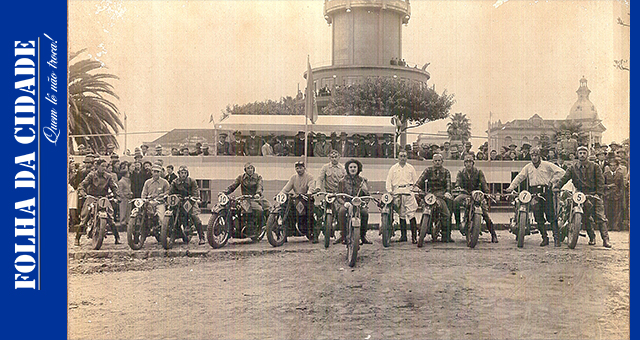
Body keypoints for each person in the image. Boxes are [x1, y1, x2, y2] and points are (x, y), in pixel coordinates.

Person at [505, 147, 565, 246]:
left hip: (546, 192)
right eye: (532, 156)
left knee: (551, 216)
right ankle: (544, 238)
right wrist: (511, 187)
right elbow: (520, 177)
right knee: (538, 217)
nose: (534, 158)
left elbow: (561, 172)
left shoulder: (547, 165)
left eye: (536, 155)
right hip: (534, 193)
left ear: (539, 156)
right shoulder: (528, 167)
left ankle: (556, 239)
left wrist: (552, 181)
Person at [554, 146, 611, 248]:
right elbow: (564, 178)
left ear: (587, 154)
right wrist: (557, 186)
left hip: (593, 194)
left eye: (584, 153)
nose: (582, 155)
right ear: (577, 154)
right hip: (579, 194)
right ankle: (592, 237)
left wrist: (599, 194)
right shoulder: (572, 168)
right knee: (585, 217)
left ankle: (606, 240)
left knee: (600, 217)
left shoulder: (595, 166)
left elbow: (601, 181)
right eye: (580, 153)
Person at [453, 153, 498, 243]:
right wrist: (458, 187)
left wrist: (487, 193)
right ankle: (458, 222)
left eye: (470, 162)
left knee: (485, 214)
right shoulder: (461, 172)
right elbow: (458, 182)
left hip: (477, 194)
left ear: (473, 163)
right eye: (467, 162)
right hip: (465, 194)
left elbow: (484, 184)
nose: (468, 164)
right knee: (455, 201)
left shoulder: (478, 172)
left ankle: (493, 234)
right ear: (464, 164)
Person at [75, 159, 120, 246]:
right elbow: (82, 185)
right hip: (91, 197)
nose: (104, 168)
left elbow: (114, 187)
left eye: (105, 166)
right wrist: (83, 193)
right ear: (97, 166)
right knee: (84, 219)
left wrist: (117, 196)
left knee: (111, 218)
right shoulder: (91, 175)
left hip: (103, 198)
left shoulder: (108, 176)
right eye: (102, 166)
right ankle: (77, 238)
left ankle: (117, 237)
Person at [414, 153, 454, 243]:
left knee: (446, 214)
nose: (437, 162)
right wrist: (417, 187)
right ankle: (421, 231)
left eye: (439, 160)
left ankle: (446, 234)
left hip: (441, 196)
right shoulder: (428, 170)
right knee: (425, 209)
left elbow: (448, 184)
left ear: (442, 162)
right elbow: (420, 181)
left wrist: (447, 192)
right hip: (430, 195)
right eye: (435, 161)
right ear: (432, 161)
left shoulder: (446, 172)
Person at [279, 160, 318, 242]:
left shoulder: (309, 177)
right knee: (285, 208)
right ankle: (286, 231)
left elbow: (311, 186)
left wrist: (309, 193)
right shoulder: (293, 178)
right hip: (297, 199)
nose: (299, 170)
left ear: (304, 168)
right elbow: (286, 188)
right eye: (297, 168)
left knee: (310, 214)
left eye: (300, 168)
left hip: (307, 199)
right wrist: (281, 193)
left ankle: (313, 233)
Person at [385, 150, 419, 243]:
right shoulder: (393, 168)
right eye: (401, 156)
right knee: (401, 215)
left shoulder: (410, 168)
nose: (403, 158)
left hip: (408, 191)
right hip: (397, 192)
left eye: (404, 156)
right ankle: (403, 236)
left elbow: (415, 181)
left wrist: (413, 190)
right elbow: (389, 180)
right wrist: (390, 191)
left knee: (411, 214)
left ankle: (414, 237)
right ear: (398, 157)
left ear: (407, 157)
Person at [223, 162, 271, 228]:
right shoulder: (241, 177)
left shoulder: (258, 177)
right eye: (248, 168)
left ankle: (265, 225)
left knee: (266, 209)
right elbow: (233, 186)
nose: (250, 170)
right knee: (240, 211)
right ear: (245, 170)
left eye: (252, 168)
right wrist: (224, 192)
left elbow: (260, 186)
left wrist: (258, 194)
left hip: (257, 198)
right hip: (245, 199)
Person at [337, 159, 372, 245]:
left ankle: (363, 236)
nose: (353, 169)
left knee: (365, 213)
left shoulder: (363, 181)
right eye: (351, 167)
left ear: (358, 168)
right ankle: (343, 235)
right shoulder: (342, 181)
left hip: (359, 203)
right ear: (347, 169)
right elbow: (338, 195)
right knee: (341, 212)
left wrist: (364, 203)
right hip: (347, 203)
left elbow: (367, 195)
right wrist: (344, 203)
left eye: (355, 167)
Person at [169, 165, 206, 244]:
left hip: (190, 201)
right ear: (178, 174)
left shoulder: (192, 181)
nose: (183, 174)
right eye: (181, 173)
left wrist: (193, 197)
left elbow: (195, 192)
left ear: (187, 173)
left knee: (194, 216)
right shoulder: (175, 182)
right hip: (179, 202)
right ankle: (173, 235)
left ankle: (202, 237)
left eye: (185, 173)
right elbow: (170, 193)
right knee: (173, 215)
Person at [603, 157, 624, 231]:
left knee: (617, 211)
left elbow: (622, 186)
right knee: (607, 211)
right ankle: (608, 226)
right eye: (611, 165)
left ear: (617, 166)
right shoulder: (605, 174)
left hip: (616, 196)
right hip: (608, 195)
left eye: (614, 165)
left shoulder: (620, 174)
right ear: (608, 166)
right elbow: (601, 185)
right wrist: (608, 186)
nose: (613, 167)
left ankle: (616, 226)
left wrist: (620, 195)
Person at [116, 162, 133, 228]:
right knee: (123, 210)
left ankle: (127, 221)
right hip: (123, 198)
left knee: (128, 210)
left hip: (128, 197)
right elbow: (120, 191)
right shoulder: (121, 181)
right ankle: (122, 222)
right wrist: (123, 196)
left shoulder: (128, 181)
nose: (129, 175)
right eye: (128, 173)